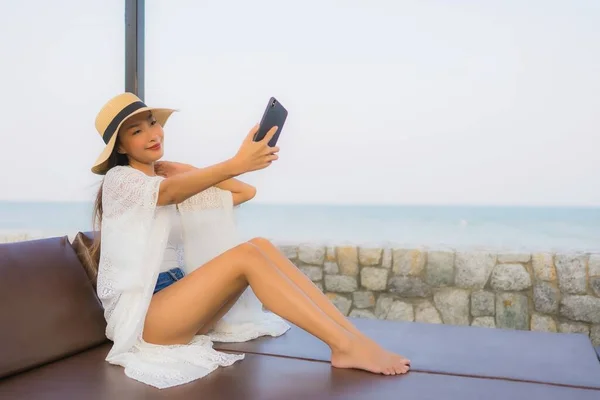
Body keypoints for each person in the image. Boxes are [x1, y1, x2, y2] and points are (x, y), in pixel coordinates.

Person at [90, 92, 410, 389]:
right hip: (147, 318)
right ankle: (344, 347)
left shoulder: (169, 180)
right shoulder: (120, 182)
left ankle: (353, 337)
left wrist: (188, 169)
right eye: (136, 132)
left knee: (260, 246)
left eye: (153, 123)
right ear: (120, 148)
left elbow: (244, 192)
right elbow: (168, 193)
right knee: (246, 256)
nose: (152, 134)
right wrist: (237, 162)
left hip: (181, 305)